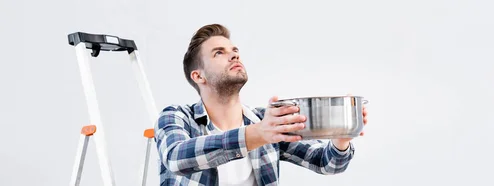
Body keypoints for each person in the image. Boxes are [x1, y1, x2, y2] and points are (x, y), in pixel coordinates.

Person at [154, 23, 368, 186]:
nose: (234, 55)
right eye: (219, 52)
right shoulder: (175, 117)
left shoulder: (264, 121)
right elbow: (176, 158)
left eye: (234, 50)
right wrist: (258, 134)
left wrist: (341, 140)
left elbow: (326, 163)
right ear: (198, 76)